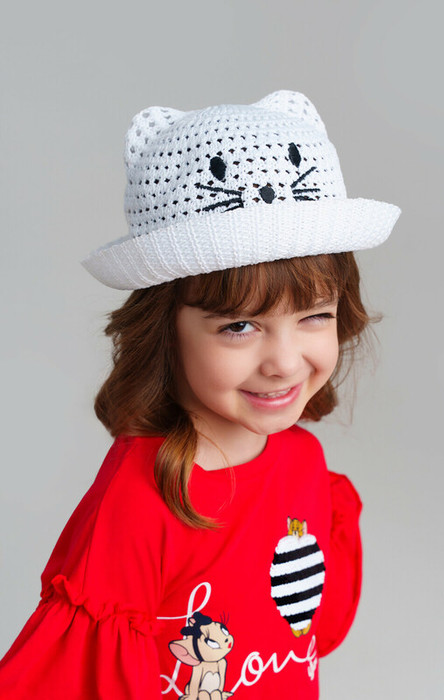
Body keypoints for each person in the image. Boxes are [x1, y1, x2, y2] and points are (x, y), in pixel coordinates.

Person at [0, 90, 401, 699]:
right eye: (239, 326)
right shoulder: (142, 501)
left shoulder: (304, 463)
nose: (285, 361)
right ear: (164, 330)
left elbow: (311, 635)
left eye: (315, 316)